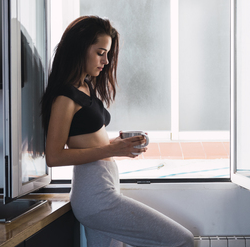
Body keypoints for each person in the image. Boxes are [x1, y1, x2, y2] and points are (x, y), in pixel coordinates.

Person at [41, 16, 194, 247]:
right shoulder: (65, 97)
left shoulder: (86, 85)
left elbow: (87, 142)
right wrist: (112, 149)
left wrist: (119, 144)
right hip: (95, 195)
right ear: (80, 48)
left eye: (108, 53)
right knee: (182, 240)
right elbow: (53, 156)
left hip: (102, 187)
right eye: (101, 52)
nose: (106, 60)